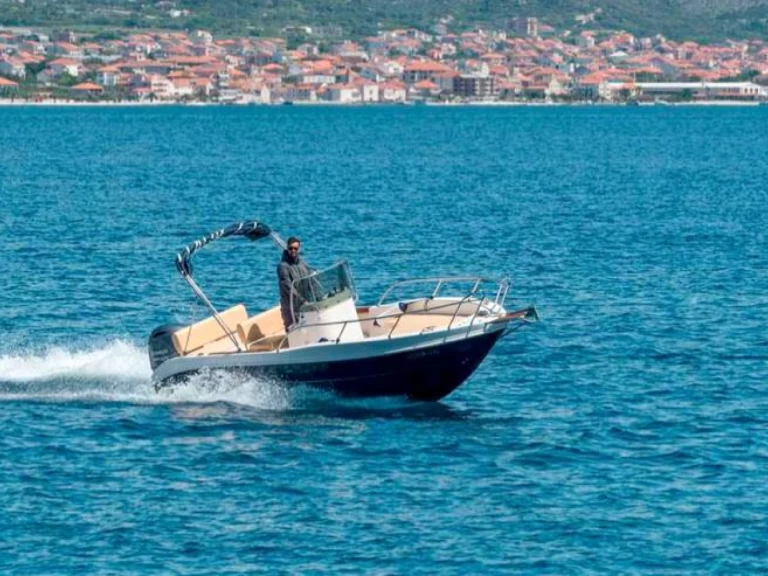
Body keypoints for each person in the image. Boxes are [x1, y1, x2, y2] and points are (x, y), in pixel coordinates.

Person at [277, 236, 312, 330]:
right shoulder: (283, 266)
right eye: (290, 248)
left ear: (299, 249)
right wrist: (302, 300)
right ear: (287, 248)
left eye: (295, 248)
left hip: (303, 306)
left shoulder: (303, 264)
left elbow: (312, 277)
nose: (293, 250)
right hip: (290, 307)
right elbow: (288, 287)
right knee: (294, 332)